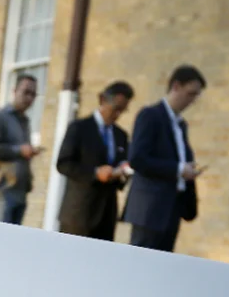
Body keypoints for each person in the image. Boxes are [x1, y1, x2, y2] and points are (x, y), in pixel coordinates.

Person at [122, 65, 207, 252]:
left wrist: (188, 169)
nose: (192, 101)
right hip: (150, 209)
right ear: (176, 86)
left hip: (172, 208)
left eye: (196, 96)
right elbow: (137, 158)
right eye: (190, 93)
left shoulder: (181, 125)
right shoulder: (150, 115)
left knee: (161, 269)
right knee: (140, 266)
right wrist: (179, 169)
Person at [57, 82, 134, 241]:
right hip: (79, 214)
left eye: (122, 110)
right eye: (116, 108)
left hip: (106, 214)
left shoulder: (121, 135)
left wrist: (124, 172)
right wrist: (95, 173)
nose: (117, 114)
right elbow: (64, 163)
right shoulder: (79, 128)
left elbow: (123, 166)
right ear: (102, 100)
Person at [0, 74, 42, 225]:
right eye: (26, 92)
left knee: (12, 242)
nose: (29, 98)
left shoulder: (25, 121)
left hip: (20, 191)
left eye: (33, 94)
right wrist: (19, 150)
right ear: (14, 91)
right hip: (1, 190)